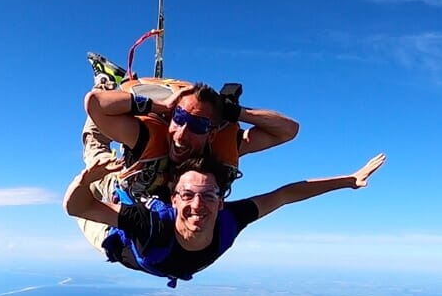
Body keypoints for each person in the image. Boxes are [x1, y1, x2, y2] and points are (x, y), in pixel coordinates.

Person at [64, 152, 387, 286]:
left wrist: (348, 181)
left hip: (122, 235)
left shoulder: (231, 218)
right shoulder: (150, 223)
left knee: (112, 177)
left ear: (221, 203)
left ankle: (120, 167)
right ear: (175, 201)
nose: (198, 205)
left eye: (208, 197)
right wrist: (87, 176)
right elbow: (78, 206)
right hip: (117, 223)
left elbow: (286, 194)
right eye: (188, 196)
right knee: (102, 164)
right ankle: (107, 98)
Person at [83, 53, 300, 201]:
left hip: (156, 193)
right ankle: (108, 82)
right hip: (121, 180)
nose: (182, 134)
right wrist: (160, 106)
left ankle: (119, 87)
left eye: (197, 125)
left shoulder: (223, 146)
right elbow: (95, 104)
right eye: (179, 118)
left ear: (212, 133)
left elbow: (288, 130)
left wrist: (236, 112)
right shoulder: (148, 137)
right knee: (95, 146)